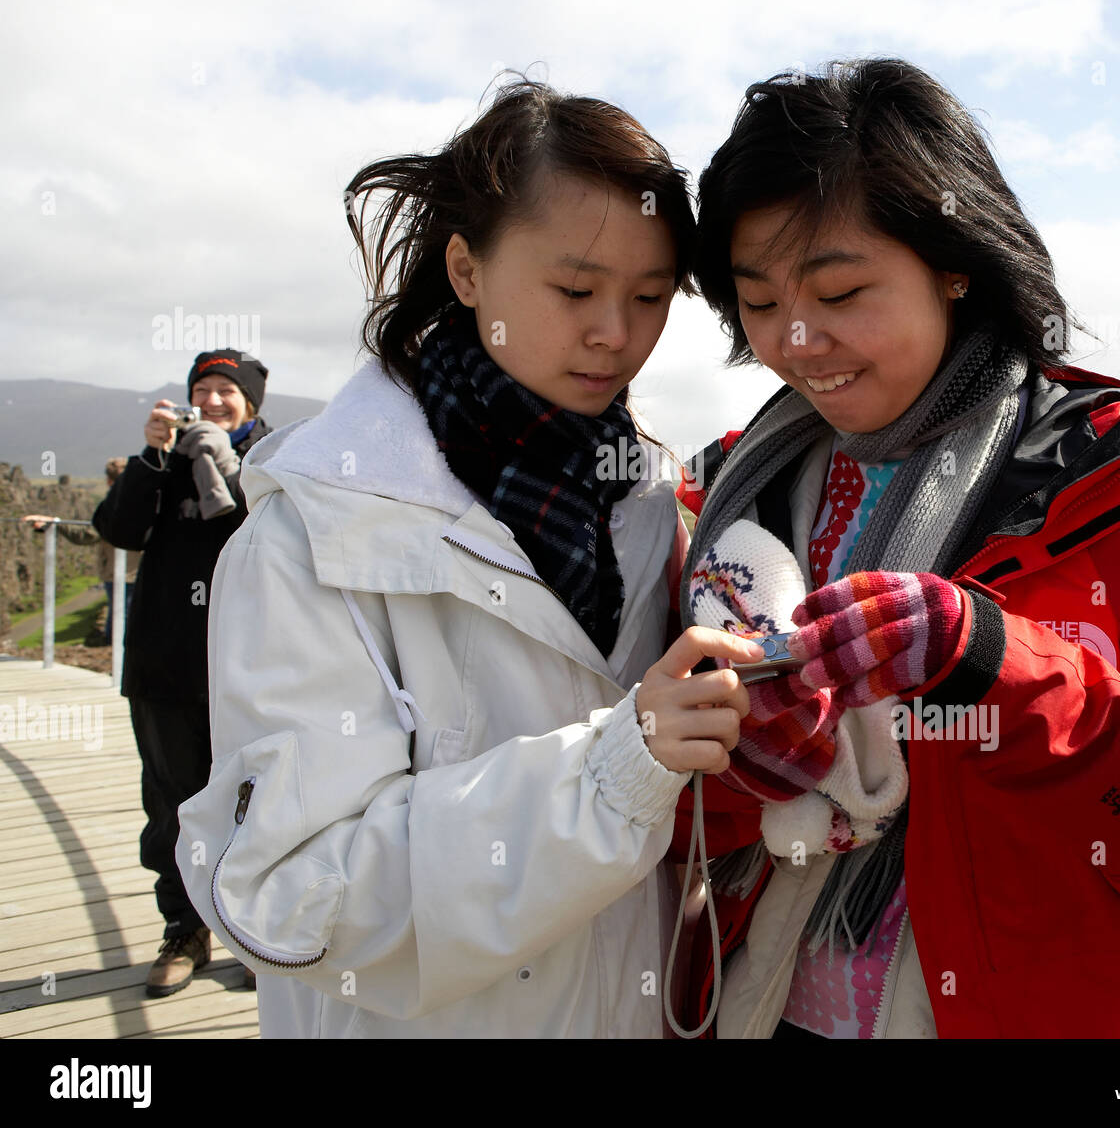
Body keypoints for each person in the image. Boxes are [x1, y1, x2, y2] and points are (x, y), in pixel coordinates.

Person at [671, 58, 1120, 1039]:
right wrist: (746, 767)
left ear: (953, 264)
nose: (796, 341)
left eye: (839, 292)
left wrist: (1000, 668)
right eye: (757, 303)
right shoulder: (723, 501)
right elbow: (663, 814)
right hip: (759, 1010)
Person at [174, 79, 764, 1038]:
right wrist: (613, 776)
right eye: (574, 289)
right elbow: (290, 896)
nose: (615, 334)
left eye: (651, 298)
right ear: (465, 269)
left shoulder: (649, 506)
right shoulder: (315, 532)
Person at [93, 350, 272, 996]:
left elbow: (282, 532)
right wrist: (150, 458)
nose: (216, 400)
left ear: (251, 403)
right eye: (205, 389)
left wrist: (227, 462)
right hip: (165, 666)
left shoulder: (273, 460)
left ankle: (253, 936)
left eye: (229, 390)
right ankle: (186, 931)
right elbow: (119, 529)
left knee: (255, 805)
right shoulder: (165, 460)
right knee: (173, 806)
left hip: (251, 666)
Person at [25, 458, 141, 646]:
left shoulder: (117, 506)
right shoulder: (143, 501)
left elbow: (87, 535)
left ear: (110, 481)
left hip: (121, 574)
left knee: (121, 620)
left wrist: (54, 523)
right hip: (139, 572)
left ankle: (117, 660)